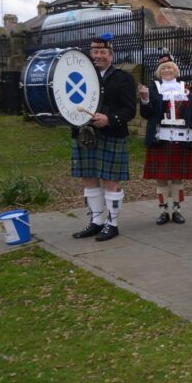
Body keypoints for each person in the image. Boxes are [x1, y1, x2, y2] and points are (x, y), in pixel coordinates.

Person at [71, 33, 137, 242]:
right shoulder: (78, 75)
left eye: (102, 52)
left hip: (111, 133)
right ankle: (96, 222)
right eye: (94, 52)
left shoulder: (123, 78)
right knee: (88, 177)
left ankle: (113, 224)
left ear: (111, 54)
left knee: (110, 181)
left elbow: (129, 110)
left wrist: (110, 118)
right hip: (84, 133)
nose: (98, 56)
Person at [138, 53, 192, 225]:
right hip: (160, 138)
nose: (167, 70)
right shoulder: (152, 88)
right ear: (159, 72)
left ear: (176, 70)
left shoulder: (186, 88)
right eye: (163, 68)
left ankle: (175, 209)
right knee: (161, 177)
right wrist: (145, 100)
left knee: (177, 177)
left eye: (170, 68)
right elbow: (147, 114)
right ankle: (163, 210)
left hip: (182, 139)